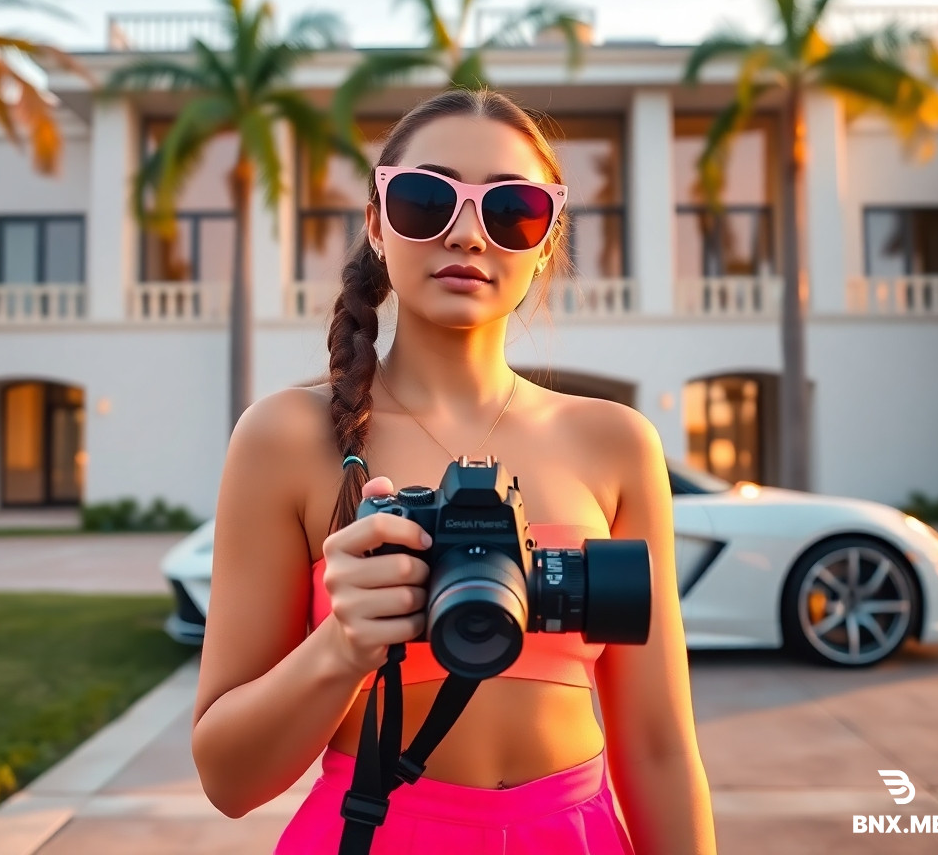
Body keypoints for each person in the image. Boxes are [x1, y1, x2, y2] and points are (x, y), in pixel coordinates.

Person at [191, 88, 718, 854]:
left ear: (544, 242)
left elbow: (663, 752)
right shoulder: (286, 437)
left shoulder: (616, 442)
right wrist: (341, 647)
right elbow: (229, 781)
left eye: (512, 210)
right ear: (376, 223)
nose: (468, 234)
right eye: (425, 199)